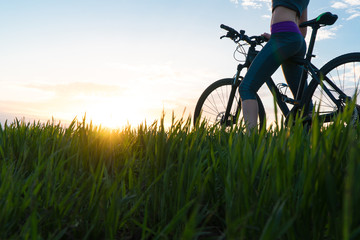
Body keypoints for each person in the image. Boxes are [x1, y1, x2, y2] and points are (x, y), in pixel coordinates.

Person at [239, 0, 310, 131]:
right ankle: (310, 140)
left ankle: (251, 141)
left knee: (246, 88)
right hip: (297, 41)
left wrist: (280, 35)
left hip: (283, 35)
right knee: (303, 102)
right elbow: (303, 31)